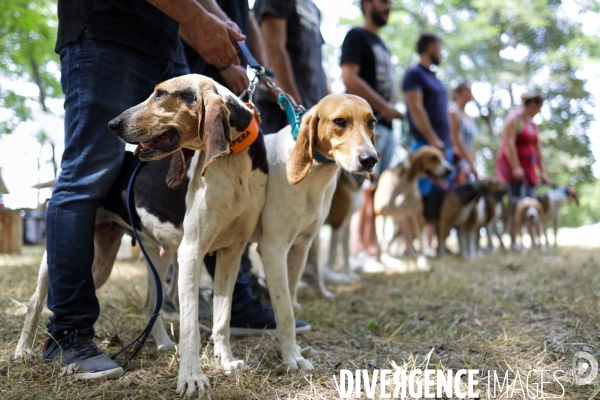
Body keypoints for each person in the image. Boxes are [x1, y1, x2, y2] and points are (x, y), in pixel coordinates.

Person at [44, 0, 266, 380]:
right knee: (85, 178)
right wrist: (198, 20)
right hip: (107, 30)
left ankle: (232, 312)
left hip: (168, 41)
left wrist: (219, 25)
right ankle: (67, 333)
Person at [182, 0, 310, 334]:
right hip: (205, 71)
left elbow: (246, 20)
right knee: (204, 209)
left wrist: (262, 71)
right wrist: (225, 63)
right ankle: (235, 301)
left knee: (237, 210)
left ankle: (241, 296)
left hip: (236, 71)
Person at [341, 0, 402, 270]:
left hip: (385, 128)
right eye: (383, 1)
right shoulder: (356, 36)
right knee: (360, 190)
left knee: (372, 190)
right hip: (364, 129)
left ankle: (371, 251)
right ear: (366, 4)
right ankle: (357, 254)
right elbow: (349, 77)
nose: (388, 6)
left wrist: (391, 108)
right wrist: (385, 106)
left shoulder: (384, 45)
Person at [401, 32, 451, 255]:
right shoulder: (414, 74)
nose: (441, 53)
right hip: (425, 145)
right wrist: (433, 140)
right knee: (415, 195)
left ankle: (429, 243)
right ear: (430, 47)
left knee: (438, 195)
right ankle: (409, 245)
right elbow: (416, 108)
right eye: (440, 48)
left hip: (442, 145)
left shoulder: (436, 78)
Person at [253, 0, 329, 134]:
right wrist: (294, 107)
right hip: (281, 106)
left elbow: (317, 58)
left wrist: (329, 103)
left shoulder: (313, 8)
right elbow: (274, 47)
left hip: (312, 106)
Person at [495, 91, 549, 251]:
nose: (539, 111)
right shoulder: (513, 119)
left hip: (529, 169)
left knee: (532, 203)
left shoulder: (533, 124)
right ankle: (514, 240)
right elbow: (508, 144)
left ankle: (534, 241)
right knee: (516, 204)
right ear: (533, 105)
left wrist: (543, 172)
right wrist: (516, 167)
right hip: (515, 169)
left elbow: (538, 150)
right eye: (539, 108)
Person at [449, 81, 479, 183]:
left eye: (470, 91)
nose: (470, 94)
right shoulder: (453, 112)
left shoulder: (471, 118)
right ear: (457, 93)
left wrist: (472, 164)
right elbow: (456, 140)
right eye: (467, 91)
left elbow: (470, 145)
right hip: (456, 161)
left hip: (467, 162)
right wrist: (469, 164)